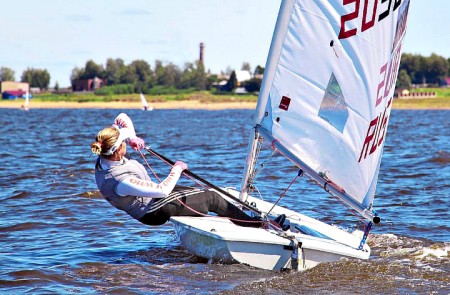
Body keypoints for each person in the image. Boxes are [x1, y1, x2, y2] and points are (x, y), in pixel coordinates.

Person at [91, 113, 264, 228]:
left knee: (200, 193)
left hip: (152, 200)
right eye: (124, 142)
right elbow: (162, 190)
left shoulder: (104, 157)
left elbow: (122, 117)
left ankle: (232, 221)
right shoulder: (120, 181)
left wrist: (132, 137)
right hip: (153, 211)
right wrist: (177, 169)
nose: (126, 143)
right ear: (117, 149)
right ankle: (256, 224)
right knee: (212, 198)